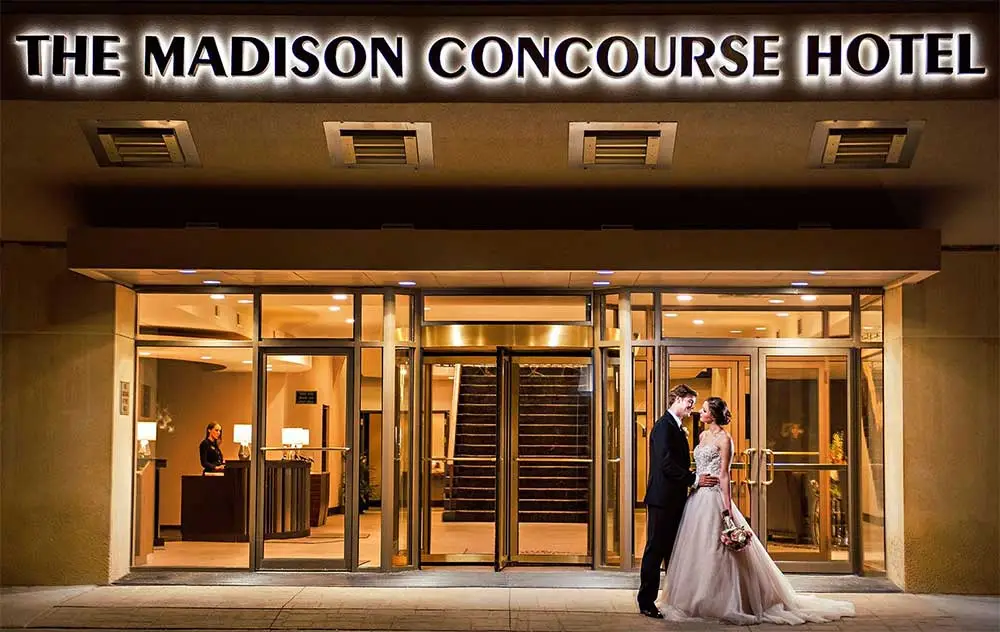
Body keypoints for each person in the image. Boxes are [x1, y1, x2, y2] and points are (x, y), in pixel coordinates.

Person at [658, 396, 856, 625]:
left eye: (703, 410)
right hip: (696, 499)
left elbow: (724, 475)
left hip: (713, 498)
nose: (699, 413)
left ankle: (727, 600)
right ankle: (693, 599)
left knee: (718, 551)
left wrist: (726, 509)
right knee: (697, 548)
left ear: (712, 414)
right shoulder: (702, 436)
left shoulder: (725, 439)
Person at [637, 384, 719, 619]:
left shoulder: (675, 426)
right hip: (662, 498)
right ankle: (646, 601)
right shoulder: (664, 427)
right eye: (690, 402)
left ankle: (671, 598)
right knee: (655, 549)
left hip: (673, 498)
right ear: (678, 400)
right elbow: (666, 464)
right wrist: (693, 478)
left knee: (671, 551)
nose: (692, 407)